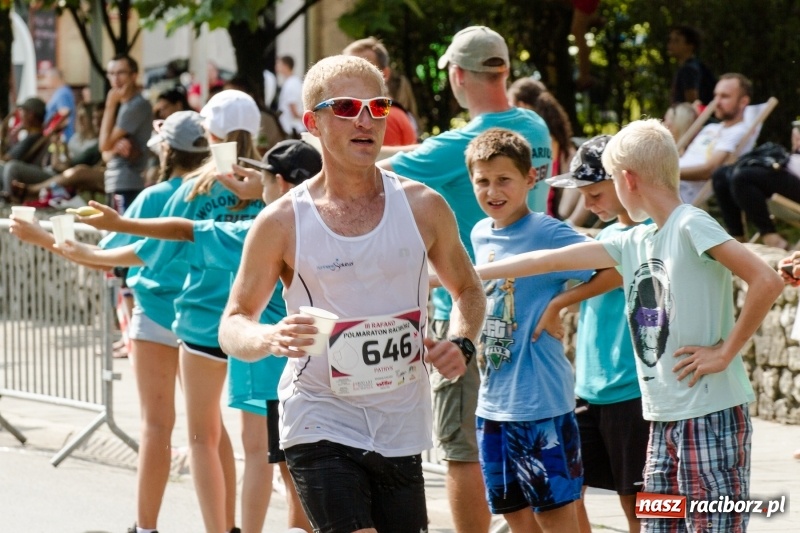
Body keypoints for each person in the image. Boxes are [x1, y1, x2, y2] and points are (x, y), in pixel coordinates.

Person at [467, 118, 784, 532]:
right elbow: (542, 262)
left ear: (627, 179)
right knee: (657, 523)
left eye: (610, 181)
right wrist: (453, 275)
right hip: (661, 417)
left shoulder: (691, 223)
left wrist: (726, 351)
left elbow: (767, 278)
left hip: (707, 412)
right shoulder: (633, 239)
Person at [217, 54, 485, 533]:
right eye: (345, 107)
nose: (364, 120)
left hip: (402, 423)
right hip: (318, 413)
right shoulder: (281, 221)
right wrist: (270, 337)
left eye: (377, 107)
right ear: (312, 122)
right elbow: (233, 322)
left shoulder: (424, 206)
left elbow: (468, 289)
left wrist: (462, 341)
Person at [51, 139, 322, 533]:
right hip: (317, 365)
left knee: (210, 440)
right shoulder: (343, 219)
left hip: (246, 346)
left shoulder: (263, 227)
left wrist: (115, 226)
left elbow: (176, 235)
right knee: (293, 470)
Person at [378, 26, 552, 533]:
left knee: (461, 446)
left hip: (468, 308)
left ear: (456, 74)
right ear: (504, 70)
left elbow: (373, 165)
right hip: (532, 307)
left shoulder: (461, 143)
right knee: (531, 437)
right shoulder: (532, 126)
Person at [10, 110, 214, 533]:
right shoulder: (229, 193)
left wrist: (42, 236)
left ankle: (147, 527)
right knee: (209, 435)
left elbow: (103, 252)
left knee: (157, 427)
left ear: (166, 151)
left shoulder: (157, 197)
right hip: (210, 319)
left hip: (158, 313)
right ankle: (227, 526)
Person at [466, 128, 591, 532]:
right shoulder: (480, 232)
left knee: (554, 516)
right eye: (482, 181)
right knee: (513, 513)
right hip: (492, 404)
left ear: (530, 179)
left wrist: (559, 303)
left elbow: (615, 266)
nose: (492, 191)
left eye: (504, 180)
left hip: (541, 403)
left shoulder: (548, 232)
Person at [542, 135, 650, 533]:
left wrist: (559, 303)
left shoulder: (655, 231)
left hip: (635, 390)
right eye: (583, 195)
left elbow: (621, 270)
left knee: (643, 501)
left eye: (596, 192)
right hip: (588, 389)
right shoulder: (604, 236)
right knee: (566, 491)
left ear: (626, 180)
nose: (588, 204)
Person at [711, 122, 800, 250]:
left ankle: (772, 237)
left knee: (744, 177)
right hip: (787, 168)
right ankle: (738, 240)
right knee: (721, 175)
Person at [507, 78, 585, 224]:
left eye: (510, 105)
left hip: (538, 219)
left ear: (521, 105)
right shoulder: (560, 142)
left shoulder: (529, 140)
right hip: (556, 218)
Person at [678, 73, 755, 205]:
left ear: (743, 102)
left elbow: (708, 171)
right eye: (716, 95)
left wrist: (664, 174)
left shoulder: (737, 132)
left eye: (724, 96)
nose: (716, 102)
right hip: (669, 183)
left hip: (681, 192)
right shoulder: (712, 128)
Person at [99, 55, 153, 214]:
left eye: (121, 72)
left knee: (121, 235)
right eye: (111, 73)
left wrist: (110, 105)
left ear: (134, 75)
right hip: (116, 181)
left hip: (127, 181)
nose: (116, 79)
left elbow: (103, 145)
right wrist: (110, 149)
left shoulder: (136, 105)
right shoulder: (125, 105)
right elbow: (105, 153)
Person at [343, 37, 417, 146]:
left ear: (385, 74)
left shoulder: (383, 116)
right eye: (346, 69)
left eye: (362, 70)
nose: (351, 76)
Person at [667, 25, 717, 106]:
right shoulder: (694, 66)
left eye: (676, 41)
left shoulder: (689, 69)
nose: (670, 44)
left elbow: (692, 103)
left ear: (690, 46)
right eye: (670, 40)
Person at [43, 67, 76, 141]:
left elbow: (64, 114)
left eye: (47, 78)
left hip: (63, 138)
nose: (45, 82)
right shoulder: (60, 92)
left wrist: (50, 130)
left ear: (54, 78)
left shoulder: (62, 93)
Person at [276, 55, 306, 137]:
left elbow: (294, 109)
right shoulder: (292, 82)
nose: (276, 66)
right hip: (292, 127)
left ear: (285, 66)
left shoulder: (291, 84)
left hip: (291, 128)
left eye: (279, 64)